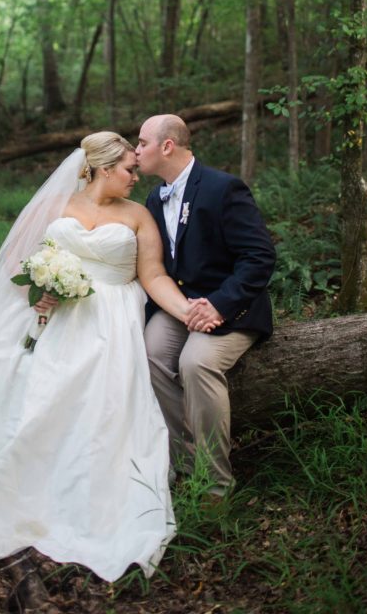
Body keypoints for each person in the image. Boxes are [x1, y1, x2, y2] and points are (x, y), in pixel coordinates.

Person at [0, 132, 218, 582]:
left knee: (93, 394)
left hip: (108, 319)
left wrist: (188, 312)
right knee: (6, 378)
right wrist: (38, 289)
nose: (136, 177)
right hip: (49, 315)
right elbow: (15, 260)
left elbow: (152, 276)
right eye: (129, 169)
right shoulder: (55, 205)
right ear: (103, 169)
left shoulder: (138, 215)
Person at [136, 114, 276, 496]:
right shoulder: (154, 198)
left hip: (233, 307)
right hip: (181, 306)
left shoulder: (223, 188)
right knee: (149, 353)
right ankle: (185, 464)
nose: (136, 151)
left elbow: (260, 257)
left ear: (167, 146)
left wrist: (219, 304)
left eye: (142, 142)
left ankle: (216, 485)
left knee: (195, 362)